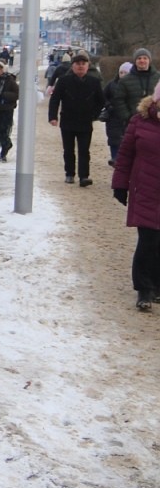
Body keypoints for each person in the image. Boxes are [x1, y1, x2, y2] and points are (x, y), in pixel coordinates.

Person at [111, 93, 160, 310]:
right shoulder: (139, 121)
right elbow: (125, 155)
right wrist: (120, 184)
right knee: (148, 239)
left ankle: (157, 285)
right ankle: (144, 289)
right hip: (146, 189)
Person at [49, 50, 106, 187]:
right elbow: (55, 99)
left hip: (85, 121)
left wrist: (94, 114)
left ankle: (84, 176)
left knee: (84, 150)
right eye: (78, 64)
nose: (80, 66)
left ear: (87, 66)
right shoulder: (64, 81)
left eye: (83, 64)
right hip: (68, 120)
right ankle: (69, 173)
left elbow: (101, 101)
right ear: (73, 66)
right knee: (68, 150)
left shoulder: (94, 82)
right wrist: (53, 116)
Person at [115, 48, 157, 129]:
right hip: (133, 123)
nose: (142, 61)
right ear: (135, 61)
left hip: (155, 122)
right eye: (139, 58)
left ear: (149, 60)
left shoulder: (158, 78)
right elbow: (118, 100)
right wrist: (127, 117)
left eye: (145, 58)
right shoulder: (125, 80)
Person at [105, 62, 133, 166]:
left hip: (128, 116)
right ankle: (115, 158)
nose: (123, 75)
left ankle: (125, 160)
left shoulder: (133, 85)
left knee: (127, 139)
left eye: (126, 72)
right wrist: (108, 106)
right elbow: (103, 97)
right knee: (114, 139)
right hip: (113, 116)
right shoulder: (111, 84)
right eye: (121, 72)